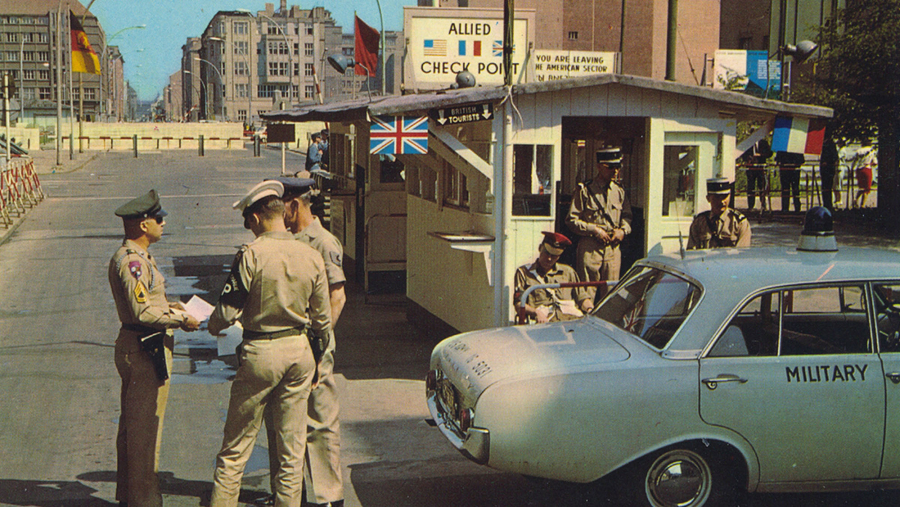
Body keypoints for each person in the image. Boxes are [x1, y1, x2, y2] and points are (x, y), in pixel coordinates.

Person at [208, 180, 333, 507]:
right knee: (292, 452)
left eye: (248, 222)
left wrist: (210, 324)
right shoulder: (310, 254)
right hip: (300, 353)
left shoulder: (251, 255)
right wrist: (317, 360)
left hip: (261, 353)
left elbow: (225, 312)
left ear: (256, 218)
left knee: (235, 451)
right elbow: (322, 321)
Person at [108, 189, 200, 507]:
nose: (163, 223)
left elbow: (149, 301)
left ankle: (129, 497)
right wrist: (179, 321)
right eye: (158, 218)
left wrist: (170, 305)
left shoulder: (140, 256)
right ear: (144, 225)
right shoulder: (133, 262)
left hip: (140, 344)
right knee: (145, 431)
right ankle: (143, 501)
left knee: (134, 427)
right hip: (144, 347)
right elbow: (142, 312)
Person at [261, 177, 345, 507]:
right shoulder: (291, 239)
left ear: (295, 205)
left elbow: (337, 298)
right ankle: (288, 494)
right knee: (284, 421)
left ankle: (328, 497)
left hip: (315, 346)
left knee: (319, 423)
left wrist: (316, 343)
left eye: (283, 209)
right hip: (291, 346)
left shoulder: (323, 242)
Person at [566, 147, 633, 302]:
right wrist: (594, 230)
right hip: (590, 247)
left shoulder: (619, 191)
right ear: (599, 166)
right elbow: (571, 220)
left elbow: (627, 216)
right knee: (586, 293)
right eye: (610, 167)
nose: (615, 171)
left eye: (618, 167)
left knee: (611, 294)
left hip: (613, 249)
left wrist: (622, 231)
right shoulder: (585, 190)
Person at [514, 231, 593, 323]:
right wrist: (536, 312)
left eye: (554, 256)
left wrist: (590, 309)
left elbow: (582, 298)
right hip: (543, 323)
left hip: (570, 321)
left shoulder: (568, 272)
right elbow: (519, 304)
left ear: (559, 256)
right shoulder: (524, 273)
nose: (549, 259)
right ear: (540, 248)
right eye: (546, 253)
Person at [687, 178, 751, 249]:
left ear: (730, 196)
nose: (722, 201)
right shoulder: (699, 223)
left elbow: (742, 253)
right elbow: (692, 252)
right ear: (708, 198)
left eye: (724, 197)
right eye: (717, 197)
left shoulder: (739, 222)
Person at [740, 139, 772, 212]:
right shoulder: (748, 142)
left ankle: (763, 205)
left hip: (760, 168)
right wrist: (748, 159)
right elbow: (743, 154)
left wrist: (761, 155)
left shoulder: (764, 142)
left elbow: (770, 153)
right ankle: (750, 206)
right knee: (751, 187)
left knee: (761, 187)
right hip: (751, 169)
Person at [851, 140, 877, 208]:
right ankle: (862, 205)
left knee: (861, 187)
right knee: (867, 188)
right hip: (867, 168)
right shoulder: (872, 150)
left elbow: (854, 161)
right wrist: (870, 163)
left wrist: (852, 169)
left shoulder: (858, 151)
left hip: (859, 169)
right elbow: (875, 162)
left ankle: (855, 199)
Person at [819, 135, 839, 212]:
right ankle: (826, 204)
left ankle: (828, 205)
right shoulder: (823, 144)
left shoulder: (830, 144)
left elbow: (834, 157)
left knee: (828, 188)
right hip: (824, 170)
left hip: (829, 169)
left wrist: (827, 162)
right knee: (825, 188)